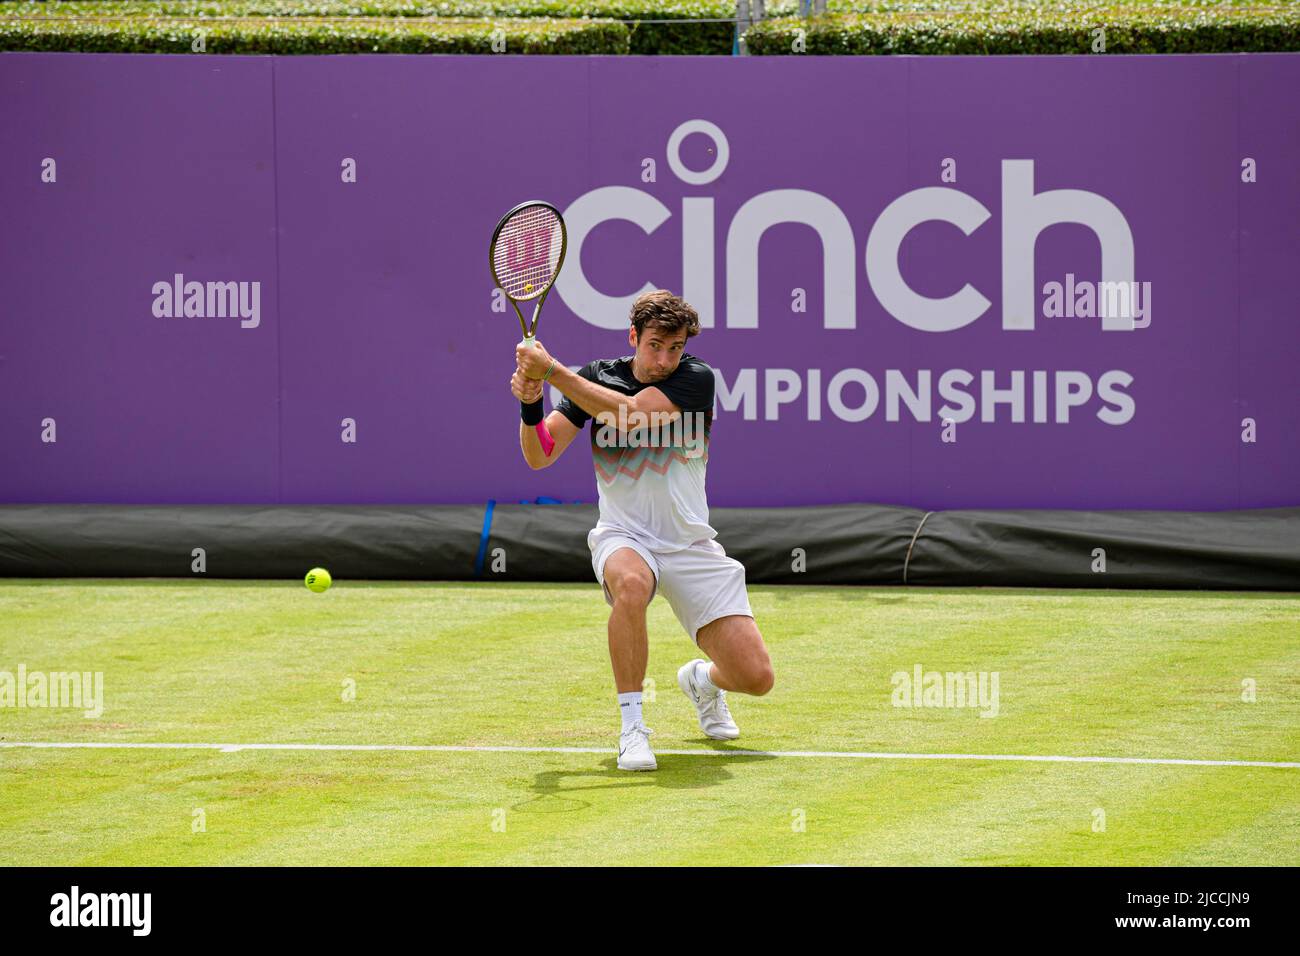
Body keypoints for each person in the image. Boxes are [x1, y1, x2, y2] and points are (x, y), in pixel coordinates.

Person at [510, 289, 775, 771]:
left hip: (690, 543)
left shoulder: (695, 378)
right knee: (631, 584)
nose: (665, 359)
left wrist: (551, 373)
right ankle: (633, 727)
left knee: (756, 677)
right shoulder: (594, 379)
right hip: (624, 536)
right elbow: (539, 453)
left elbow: (629, 416)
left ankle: (703, 682)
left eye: (674, 347)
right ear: (634, 337)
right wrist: (531, 406)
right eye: (655, 345)